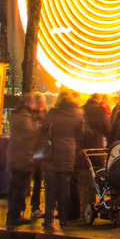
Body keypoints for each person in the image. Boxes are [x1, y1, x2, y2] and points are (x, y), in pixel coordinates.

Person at [41, 90, 84, 229]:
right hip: (68, 153)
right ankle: (63, 219)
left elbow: (43, 129)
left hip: (52, 153)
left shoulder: (52, 113)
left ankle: (48, 219)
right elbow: (81, 135)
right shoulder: (77, 114)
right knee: (65, 189)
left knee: (51, 189)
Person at [6, 94, 40, 227]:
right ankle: (15, 216)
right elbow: (28, 133)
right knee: (20, 188)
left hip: (14, 156)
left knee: (14, 187)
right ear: (28, 103)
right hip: (23, 157)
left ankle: (13, 215)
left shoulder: (15, 114)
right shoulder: (25, 116)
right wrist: (37, 126)